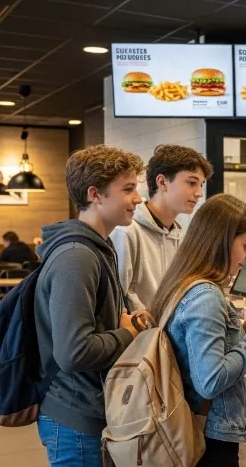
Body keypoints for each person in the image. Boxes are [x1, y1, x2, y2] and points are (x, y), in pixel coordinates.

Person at [33, 145, 154, 467]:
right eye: (128, 189)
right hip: (75, 418)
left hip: (91, 410)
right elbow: (73, 352)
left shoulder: (96, 249)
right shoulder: (77, 256)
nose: (138, 199)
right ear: (95, 194)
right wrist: (127, 333)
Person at [149, 193, 246, 467]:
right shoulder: (206, 296)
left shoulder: (183, 283)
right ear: (222, 241)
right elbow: (211, 379)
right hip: (208, 434)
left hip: (190, 424)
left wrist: (240, 332)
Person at [111, 144, 213, 312]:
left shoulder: (180, 235)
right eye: (192, 183)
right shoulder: (127, 231)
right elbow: (119, 298)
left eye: (201, 184)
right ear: (162, 182)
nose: (199, 193)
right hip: (140, 336)